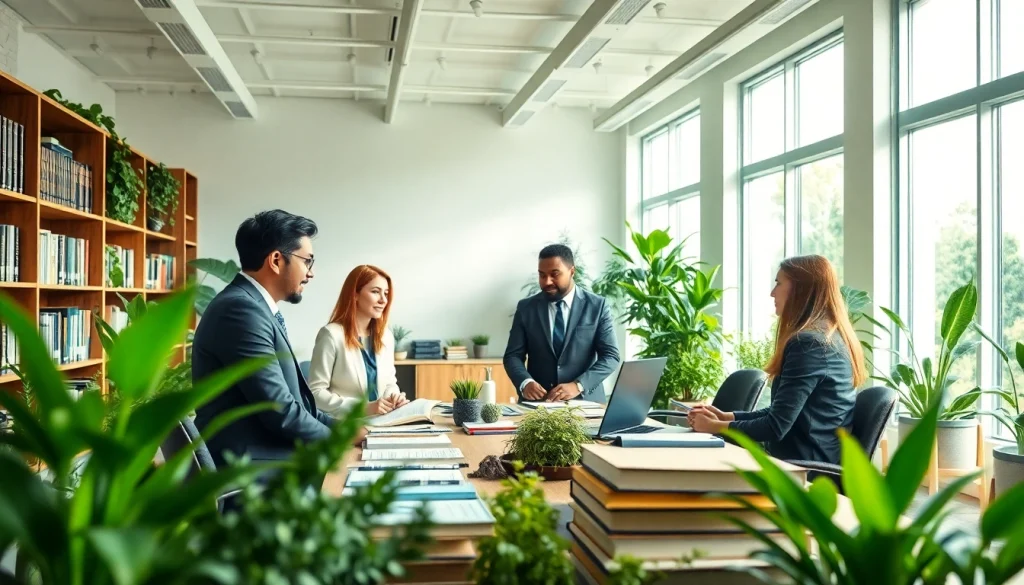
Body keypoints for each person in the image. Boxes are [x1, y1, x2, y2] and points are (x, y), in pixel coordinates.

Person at [192, 209, 336, 474]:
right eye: (307, 261)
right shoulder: (240, 310)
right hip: (251, 470)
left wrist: (353, 431)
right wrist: (340, 442)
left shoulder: (252, 306)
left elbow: (300, 407)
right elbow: (281, 412)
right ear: (276, 260)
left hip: (267, 457)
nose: (311, 273)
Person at [688, 254, 866, 465]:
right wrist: (727, 417)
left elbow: (775, 427)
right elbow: (783, 412)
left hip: (804, 469)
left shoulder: (808, 344)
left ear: (800, 289)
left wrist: (715, 427)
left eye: (778, 283)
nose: (772, 293)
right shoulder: (831, 336)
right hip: (814, 458)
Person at [503, 244, 621, 403]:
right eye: (542, 275)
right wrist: (525, 382)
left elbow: (611, 356)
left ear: (572, 271)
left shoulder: (597, 306)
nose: (547, 281)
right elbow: (512, 356)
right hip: (539, 404)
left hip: (586, 404)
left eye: (554, 274)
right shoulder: (526, 308)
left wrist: (578, 385)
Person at [308, 265, 410, 417]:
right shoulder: (331, 335)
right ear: (355, 294)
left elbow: (389, 383)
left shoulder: (385, 336)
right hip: (346, 423)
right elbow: (315, 393)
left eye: (386, 293)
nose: (383, 300)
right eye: (375, 292)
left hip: (382, 421)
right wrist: (364, 408)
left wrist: (394, 397)